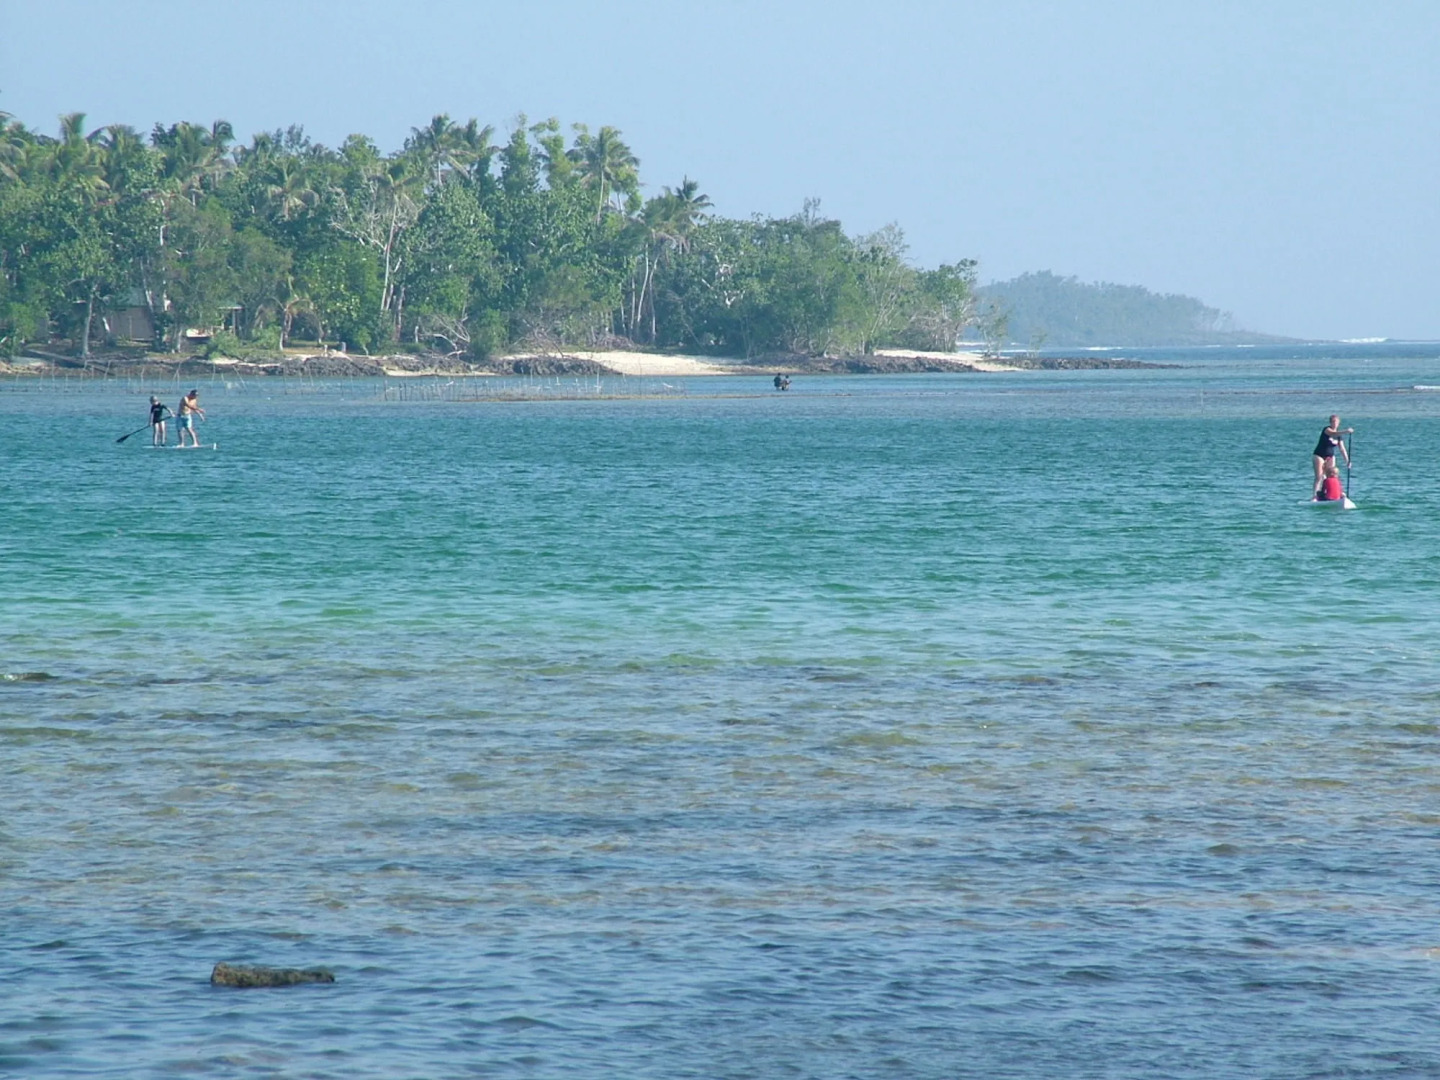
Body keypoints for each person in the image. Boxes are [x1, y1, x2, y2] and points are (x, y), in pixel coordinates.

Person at [1312, 415, 1352, 498]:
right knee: (1319, 477)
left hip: (1330, 456)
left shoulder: (1339, 436)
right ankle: (1315, 496)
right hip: (1319, 455)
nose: (1334, 424)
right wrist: (1346, 431)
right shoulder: (1327, 430)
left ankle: (1333, 493)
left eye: (1336, 422)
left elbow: (1342, 449)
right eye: (1333, 422)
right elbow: (1333, 433)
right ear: (1330, 422)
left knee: (1332, 475)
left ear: (1338, 423)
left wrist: (1347, 461)